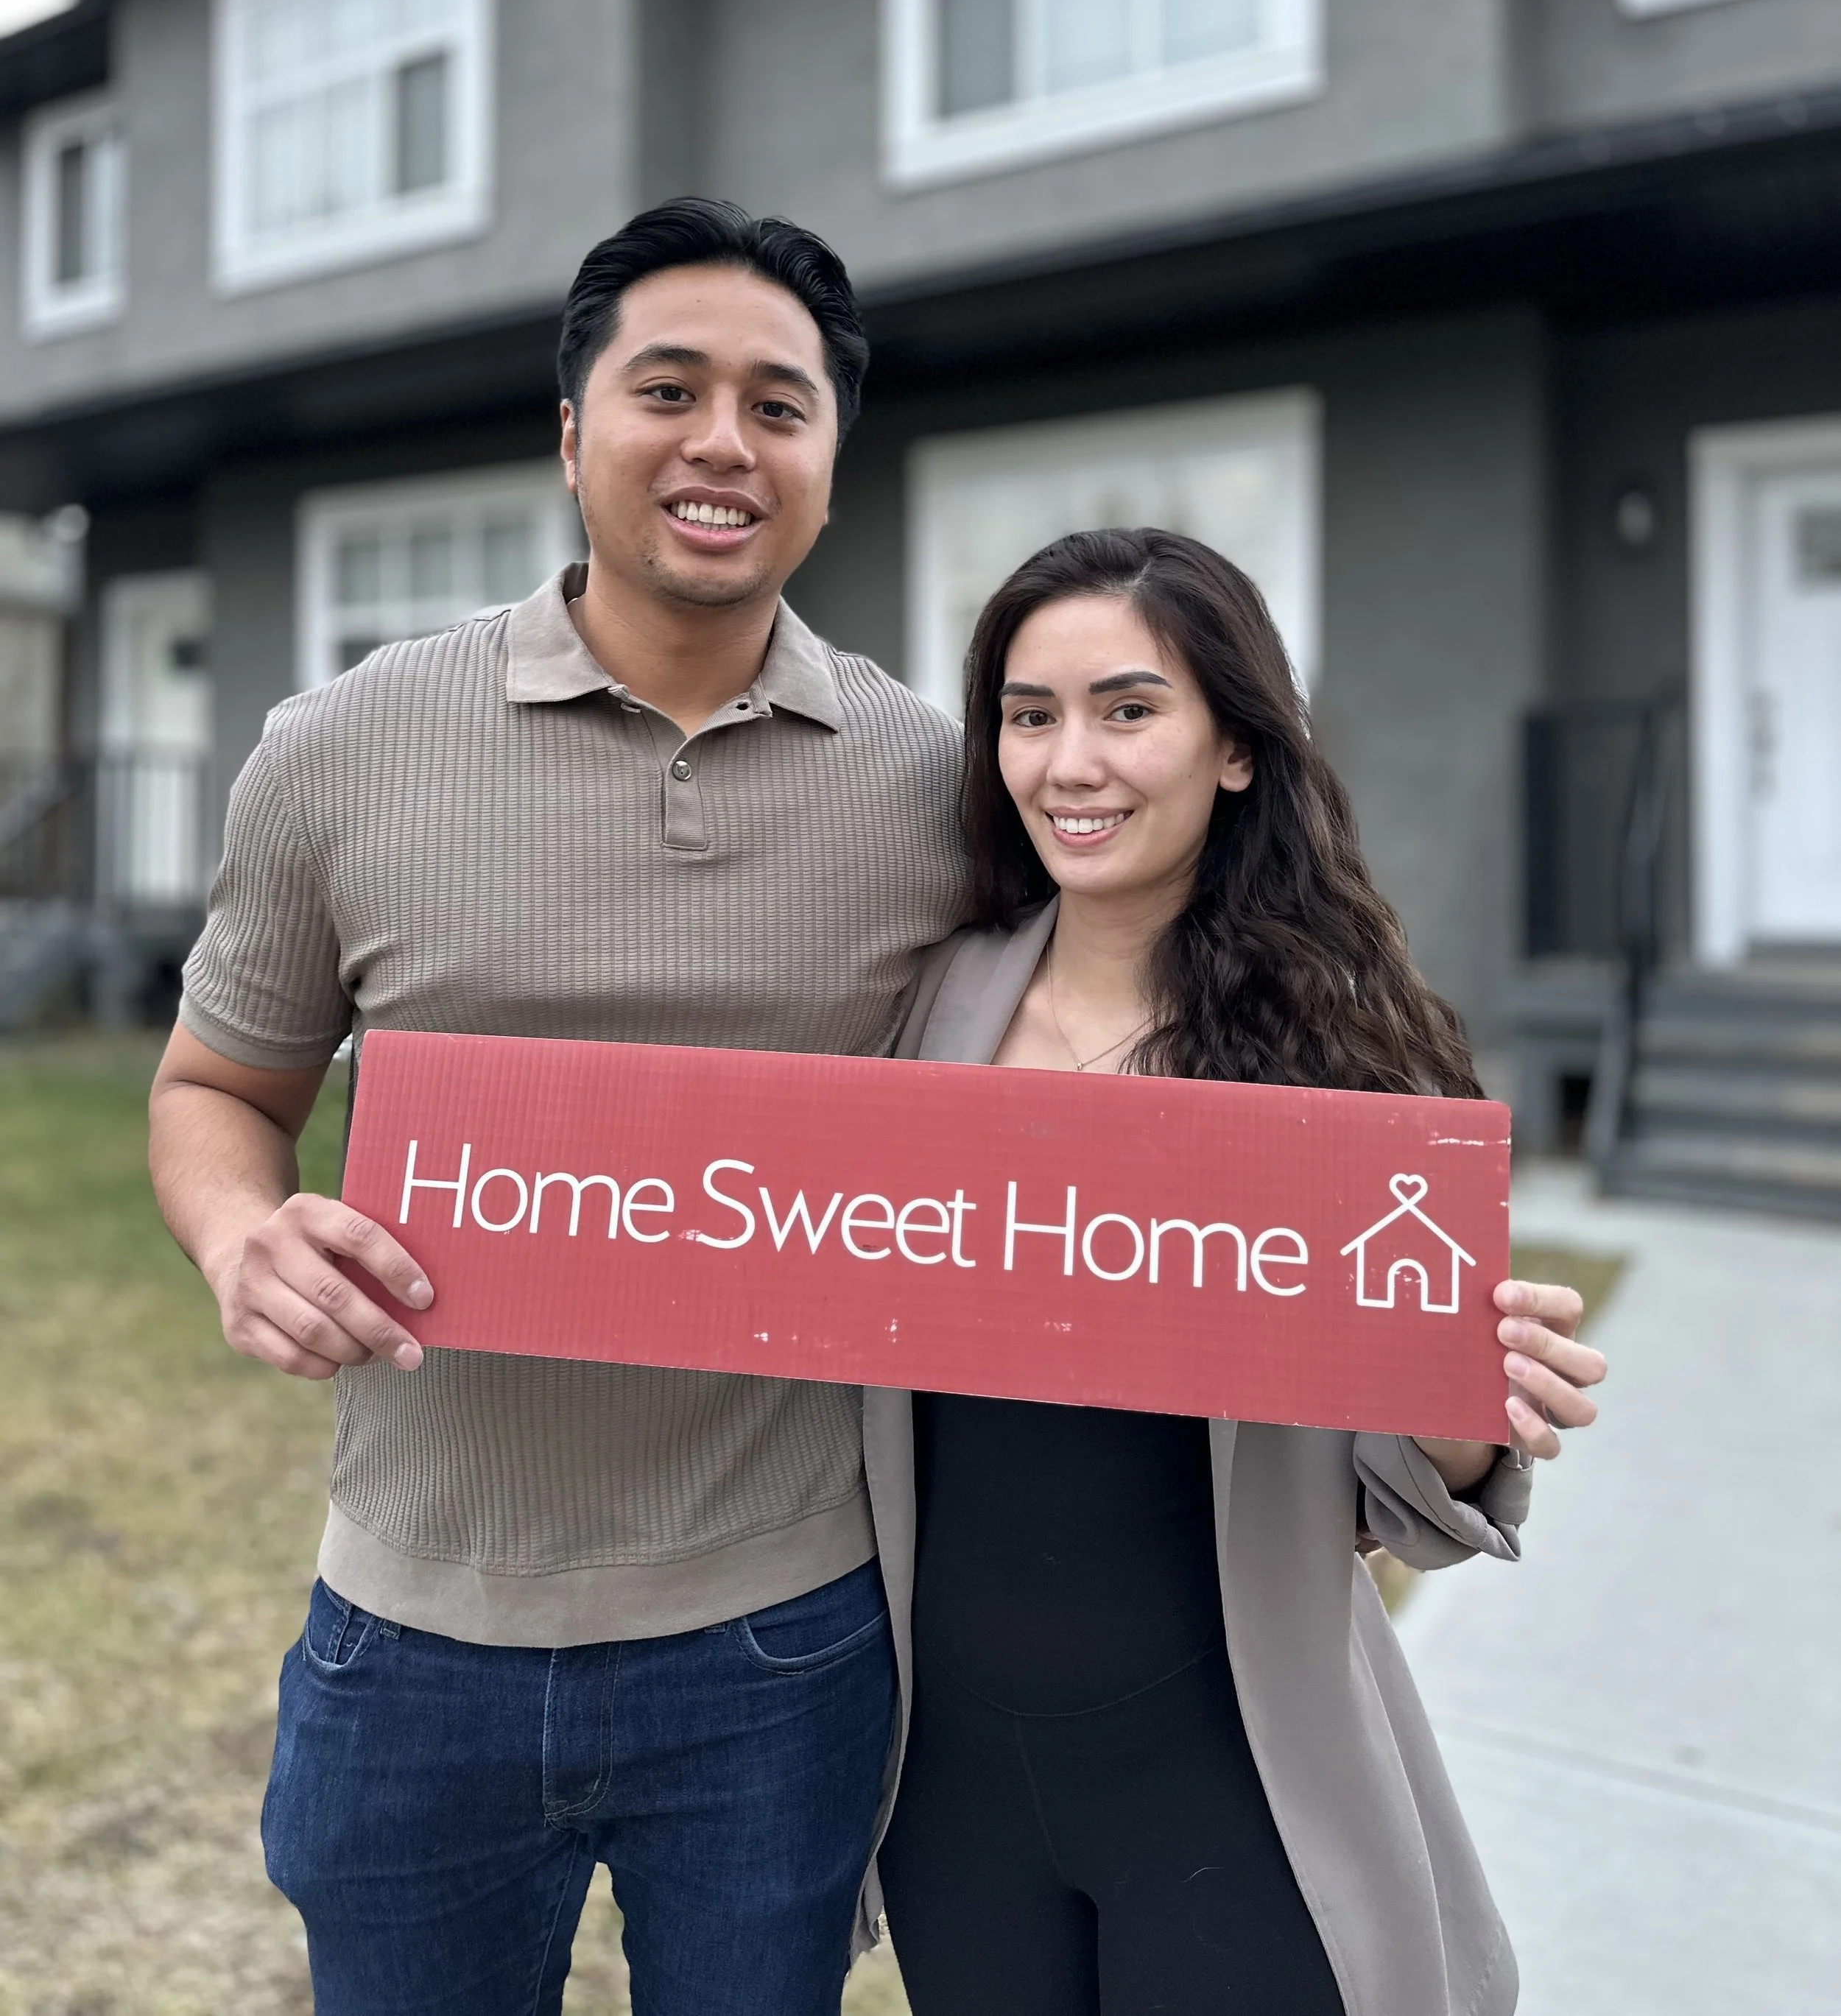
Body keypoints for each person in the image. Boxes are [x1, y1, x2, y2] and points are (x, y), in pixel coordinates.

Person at [147, 200, 965, 2016]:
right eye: (665, 387)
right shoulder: (342, 747)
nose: (720, 443)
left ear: (831, 458)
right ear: (572, 432)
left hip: (784, 1636)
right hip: (413, 1632)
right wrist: (238, 1229)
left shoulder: (937, 786)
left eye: (779, 403)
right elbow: (217, 1085)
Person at [864, 527, 1608, 2016]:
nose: (1069, 761)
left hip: (1225, 1775)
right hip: (949, 1787)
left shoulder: (1339, 1055)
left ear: (1234, 749)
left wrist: (1469, 1403)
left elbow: (1398, 1495)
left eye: (1127, 709)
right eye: (1029, 714)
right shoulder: (927, 1000)